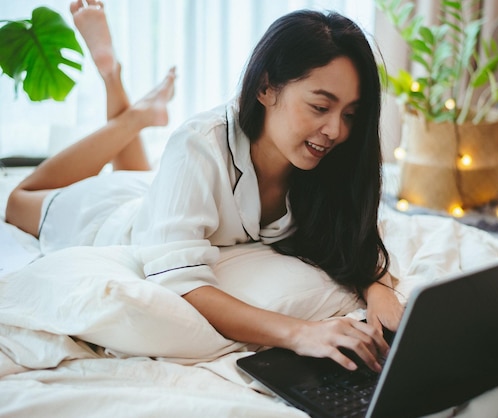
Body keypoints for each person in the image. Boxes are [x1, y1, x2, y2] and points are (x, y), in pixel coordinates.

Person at [6, 0, 403, 372]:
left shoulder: (328, 165)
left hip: (158, 197)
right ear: (266, 88)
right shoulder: (199, 142)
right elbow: (181, 281)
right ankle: (127, 99)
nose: (336, 130)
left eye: (350, 114)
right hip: (107, 218)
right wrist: (299, 332)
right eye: (320, 106)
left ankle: (135, 106)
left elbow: (353, 237)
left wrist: (378, 287)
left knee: (144, 173)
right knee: (18, 200)